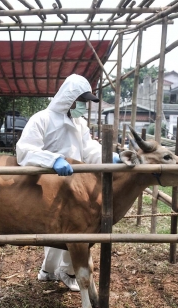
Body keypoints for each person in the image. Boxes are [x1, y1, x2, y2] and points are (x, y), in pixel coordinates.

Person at [16, 74, 120, 291]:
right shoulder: (42, 119)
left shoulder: (79, 123)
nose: (83, 107)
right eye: (81, 101)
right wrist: (53, 159)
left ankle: (66, 270)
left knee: (73, 230)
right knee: (55, 232)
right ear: (69, 99)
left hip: (76, 185)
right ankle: (49, 270)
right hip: (51, 182)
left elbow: (89, 147)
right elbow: (25, 149)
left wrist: (108, 156)